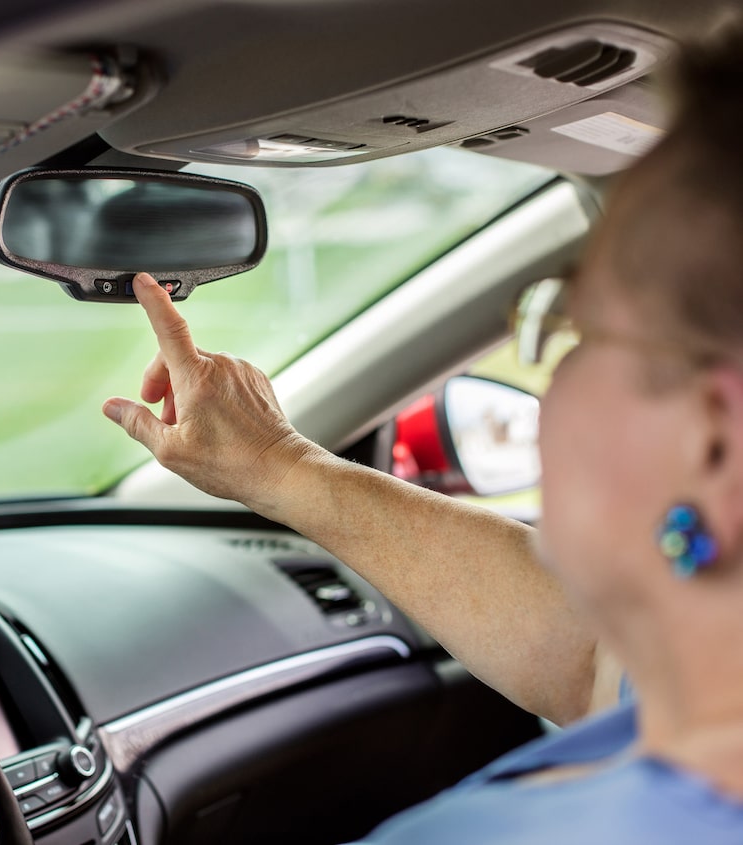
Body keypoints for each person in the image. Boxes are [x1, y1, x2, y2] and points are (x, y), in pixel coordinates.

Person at [103, 25, 743, 843]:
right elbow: (588, 658)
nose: (552, 378)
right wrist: (279, 464)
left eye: (575, 328)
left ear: (711, 441)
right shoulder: (696, 679)